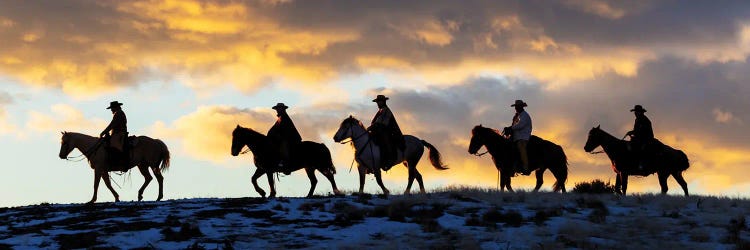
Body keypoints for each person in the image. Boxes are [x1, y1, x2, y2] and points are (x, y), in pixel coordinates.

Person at [368, 95, 405, 169]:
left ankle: (390, 159)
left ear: (384, 102)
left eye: (379, 102)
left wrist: (372, 127)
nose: (378, 103)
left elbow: (383, 124)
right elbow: (376, 123)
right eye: (377, 102)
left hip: (390, 132)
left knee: (385, 141)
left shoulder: (386, 111)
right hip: (380, 131)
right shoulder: (380, 111)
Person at [267, 103, 302, 173]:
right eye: (277, 109)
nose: (277, 110)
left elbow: (284, 130)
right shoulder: (280, 118)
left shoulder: (284, 117)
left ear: (283, 109)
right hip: (287, 137)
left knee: (283, 146)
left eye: (278, 109)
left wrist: (275, 135)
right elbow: (274, 129)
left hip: (290, 138)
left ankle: (285, 162)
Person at [506, 100, 532, 176]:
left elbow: (520, 125)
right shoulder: (518, 116)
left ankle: (526, 167)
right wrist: (510, 128)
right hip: (516, 137)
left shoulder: (524, 115)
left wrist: (511, 128)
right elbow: (514, 126)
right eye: (515, 107)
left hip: (523, 136)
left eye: (517, 107)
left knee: (521, 147)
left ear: (521, 107)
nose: (516, 108)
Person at [625, 105, 654, 170]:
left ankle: (642, 163)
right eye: (635, 112)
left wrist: (633, 133)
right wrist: (631, 133)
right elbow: (636, 130)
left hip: (647, 138)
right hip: (639, 138)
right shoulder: (637, 120)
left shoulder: (645, 120)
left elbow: (642, 131)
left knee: (642, 148)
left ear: (641, 112)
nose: (635, 113)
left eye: (636, 112)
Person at [100, 101, 128, 167]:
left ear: (116, 107)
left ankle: (118, 161)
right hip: (118, 133)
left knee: (114, 145)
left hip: (119, 133)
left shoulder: (118, 113)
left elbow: (112, 124)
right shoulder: (119, 113)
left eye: (112, 108)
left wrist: (103, 132)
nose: (111, 110)